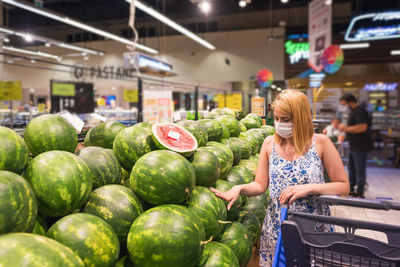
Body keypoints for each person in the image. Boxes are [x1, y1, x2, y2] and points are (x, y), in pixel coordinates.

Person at [211, 89, 349, 266]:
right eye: (276, 119)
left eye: (286, 120)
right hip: (277, 225)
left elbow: (343, 186)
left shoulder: (320, 142)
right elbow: (260, 185)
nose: (279, 124)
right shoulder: (269, 144)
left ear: (301, 118)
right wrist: (240, 188)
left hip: (313, 226)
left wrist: (311, 187)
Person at [339, 93, 373, 198]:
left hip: (361, 146)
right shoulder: (354, 111)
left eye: (345, 104)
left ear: (350, 102)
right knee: (352, 169)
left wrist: (345, 129)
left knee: (359, 170)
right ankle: (351, 189)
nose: (345, 107)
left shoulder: (360, 111)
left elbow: (362, 127)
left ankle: (360, 192)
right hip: (354, 146)